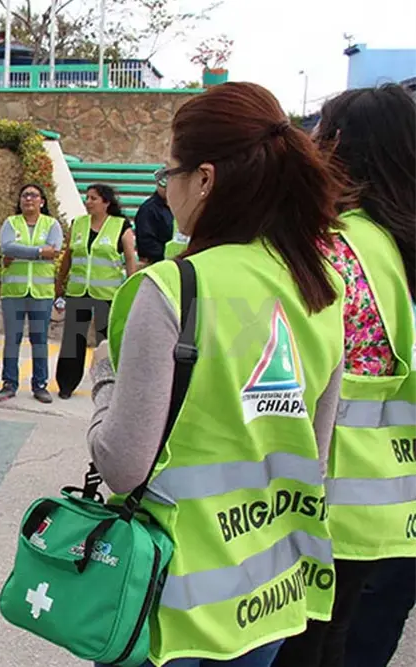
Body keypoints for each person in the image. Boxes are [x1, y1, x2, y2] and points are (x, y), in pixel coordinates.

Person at [88, 82, 347, 667]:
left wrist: (104, 377)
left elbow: (123, 466)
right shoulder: (322, 288)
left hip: (169, 604)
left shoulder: (171, 288)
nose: (166, 186)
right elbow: (314, 460)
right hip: (268, 595)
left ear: (204, 179)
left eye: (168, 172)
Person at [272, 83, 416, 667]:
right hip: (387, 499)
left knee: (304, 646)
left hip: (325, 497)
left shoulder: (335, 246)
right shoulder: (395, 242)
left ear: (339, 148)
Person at [54, 183, 138, 399]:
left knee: (106, 340)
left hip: (107, 293)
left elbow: (130, 259)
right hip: (78, 291)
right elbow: (68, 256)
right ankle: (66, 384)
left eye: (93, 198)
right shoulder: (78, 224)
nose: (88, 202)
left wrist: (131, 289)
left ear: (106, 202)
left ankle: (109, 383)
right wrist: (59, 282)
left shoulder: (121, 226)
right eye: (87, 197)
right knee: (73, 340)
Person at [0, 183, 62, 404]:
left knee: (39, 339)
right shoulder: (11, 223)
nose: (28, 199)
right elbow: (7, 248)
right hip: (13, 291)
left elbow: (55, 250)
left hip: (41, 293)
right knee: (12, 339)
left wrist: (22, 252)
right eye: (25, 195)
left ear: (42, 201)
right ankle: (9, 383)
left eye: (33, 195)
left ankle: (40, 384)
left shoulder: (51, 224)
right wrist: (40, 251)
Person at [133, 176, 174, 265]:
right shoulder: (148, 209)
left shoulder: (177, 206)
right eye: (163, 186)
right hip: (157, 262)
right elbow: (146, 240)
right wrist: (167, 253)